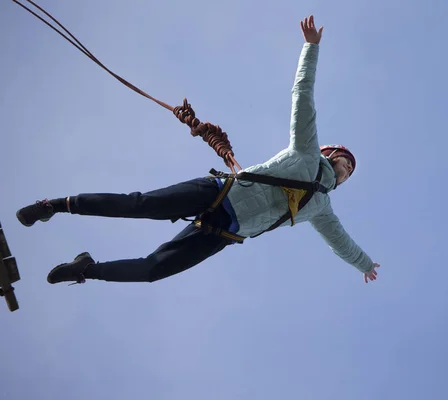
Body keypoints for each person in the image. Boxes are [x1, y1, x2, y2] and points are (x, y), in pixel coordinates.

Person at [15, 15, 381, 286]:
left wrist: (363, 264)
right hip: (220, 191)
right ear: (327, 152)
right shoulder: (305, 151)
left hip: (223, 233)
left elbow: (341, 242)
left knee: (153, 269)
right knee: (139, 204)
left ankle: (85, 269)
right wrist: (311, 48)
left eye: (349, 170)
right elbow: (303, 95)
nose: (346, 169)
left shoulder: (322, 208)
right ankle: (56, 205)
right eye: (343, 160)